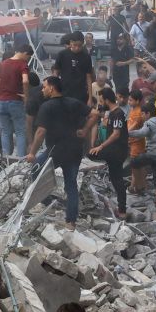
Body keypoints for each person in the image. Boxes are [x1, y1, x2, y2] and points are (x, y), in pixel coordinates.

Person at [26, 76, 90, 230]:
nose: (42, 90)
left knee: (35, 170)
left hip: (56, 151)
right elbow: (94, 114)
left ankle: (45, 200)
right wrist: (85, 130)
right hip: (75, 150)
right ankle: (71, 222)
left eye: (44, 87)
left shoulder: (47, 107)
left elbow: (40, 131)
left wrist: (32, 153)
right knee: (71, 185)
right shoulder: (74, 102)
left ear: (52, 88)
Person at [87, 88, 130, 220]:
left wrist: (101, 146)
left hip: (116, 151)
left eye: (101, 101)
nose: (100, 104)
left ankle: (122, 210)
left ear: (106, 100)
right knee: (116, 178)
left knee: (117, 179)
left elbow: (116, 134)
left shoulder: (117, 114)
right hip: (114, 150)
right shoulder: (112, 113)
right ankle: (122, 210)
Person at [0, 44, 32, 156]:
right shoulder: (23, 64)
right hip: (15, 102)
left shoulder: (3, 64)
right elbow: (25, 81)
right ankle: (20, 160)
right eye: (29, 57)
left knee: (5, 132)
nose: (28, 59)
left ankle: (6, 158)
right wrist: (26, 96)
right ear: (25, 53)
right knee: (20, 132)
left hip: (1, 102)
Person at [54, 32, 94, 104]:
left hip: (81, 93)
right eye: (75, 45)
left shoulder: (86, 57)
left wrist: (90, 98)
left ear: (83, 43)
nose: (77, 48)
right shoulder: (62, 54)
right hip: (65, 91)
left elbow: (88, 77)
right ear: (71, 42)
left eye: (80, 46)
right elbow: (55, 73)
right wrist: (55, 90)